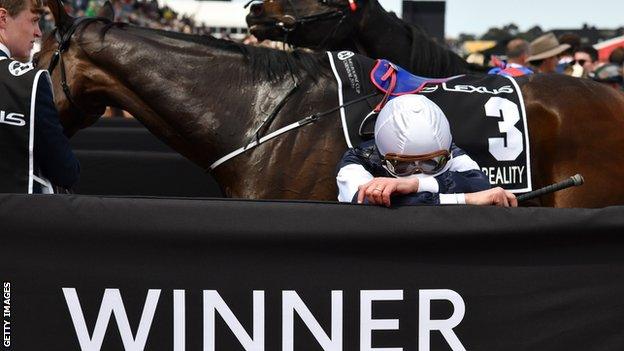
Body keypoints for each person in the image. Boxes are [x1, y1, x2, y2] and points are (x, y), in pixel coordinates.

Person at [336, 94, 518, 207]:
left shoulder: (450, 151)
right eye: (402, 165)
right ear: (382, 157)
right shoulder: (358, 160)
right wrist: (467, 199)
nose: (418, 172)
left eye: (430, 163)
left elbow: (480, 186)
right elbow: (367, 205)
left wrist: (414, 185)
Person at [0, 0, 79, 193]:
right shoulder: (30, 83)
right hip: (17, 217)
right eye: (34, 20)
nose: (38, 32)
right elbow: (66, 172)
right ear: (2, 18)